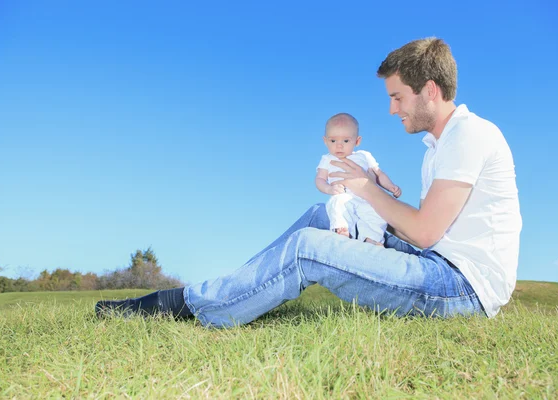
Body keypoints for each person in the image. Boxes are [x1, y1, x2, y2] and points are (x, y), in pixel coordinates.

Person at [96, 37, 522, 328]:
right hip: (438, 262)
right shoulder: (441, 144)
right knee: (321, 215)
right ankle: (228, 287)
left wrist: (364, 187)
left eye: (397, 97)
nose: (393, 110)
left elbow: (427, 231)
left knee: (308, 249)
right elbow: (428, 231)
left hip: (459, 288)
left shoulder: (469, 134)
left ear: (429, 90)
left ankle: (189, 305)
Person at [316, 112, 401, 245]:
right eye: (333, 140)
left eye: (345, 140)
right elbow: (320, 179)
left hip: (367, 198)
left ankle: (372, 239)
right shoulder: (327, 159)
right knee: (336, 204)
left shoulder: (364, 156)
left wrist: (390, 186)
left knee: (376, 213)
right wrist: (329, 188)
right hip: (344, 195)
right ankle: (342, 230)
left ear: (357, 141)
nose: (339, 145)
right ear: (325, 141)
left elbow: (379, 174)